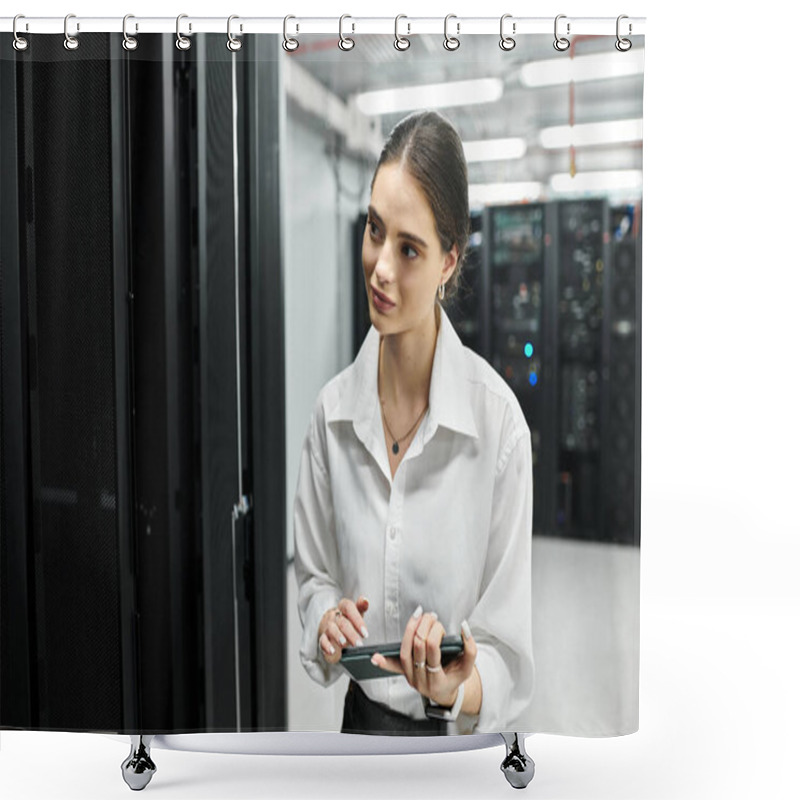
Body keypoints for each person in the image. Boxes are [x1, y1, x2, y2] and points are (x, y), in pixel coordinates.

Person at [293, 110, 534, 735]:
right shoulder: (332, 416)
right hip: (358, 730)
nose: (381, 268)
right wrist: (326, 618)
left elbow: (507, 655)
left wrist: (460, 686)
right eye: (376, 231)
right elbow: (315, 574)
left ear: (450, 261)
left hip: (452, 745)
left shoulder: (500, 429)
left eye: (410, 249)